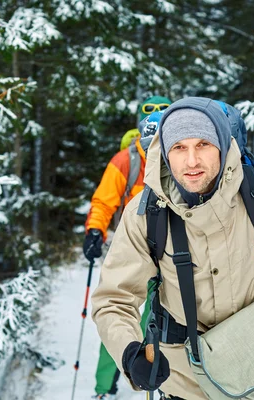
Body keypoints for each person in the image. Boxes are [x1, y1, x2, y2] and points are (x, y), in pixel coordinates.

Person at [91, 97, 254, 400]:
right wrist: (131, 353)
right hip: (184, 381)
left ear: (223, 146)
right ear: (164, 152)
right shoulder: (147, 213)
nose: (191, 161)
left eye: (203, 144)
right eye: (179, 147)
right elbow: (113, 298)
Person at [83, 96, 171, 400]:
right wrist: (96, 230)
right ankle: (104, 388)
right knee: (121, 317)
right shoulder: (126, 161)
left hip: (172, 254)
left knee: (164, 320)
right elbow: (104, 200)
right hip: (131, 251)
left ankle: (171, 382)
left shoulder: (180, 157)